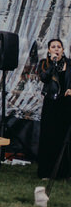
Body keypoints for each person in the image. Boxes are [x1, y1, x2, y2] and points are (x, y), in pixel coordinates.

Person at [37, 39, 70, 179]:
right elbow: (44, 78)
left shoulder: (69, 64)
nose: (56, 49)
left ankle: (64, 172)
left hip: (66, 103)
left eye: (59, 47)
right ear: (49, 50)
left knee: (64, 137)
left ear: (63, 49)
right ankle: (46, 171)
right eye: (53, 47)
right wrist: (53, 64)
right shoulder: (44, 64)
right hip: (51, 103)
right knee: (49, 136)